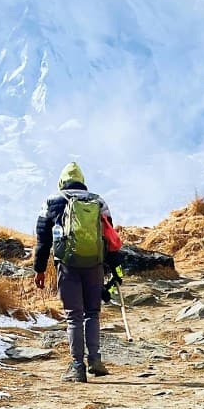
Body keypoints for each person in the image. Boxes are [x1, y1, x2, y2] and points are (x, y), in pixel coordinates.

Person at [33, 162, 121, 383]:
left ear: (62, 181)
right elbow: (109, 237)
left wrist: (39, 270)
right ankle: (95, 359)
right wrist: (112, 268)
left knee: (74, 316)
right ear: (82, 180)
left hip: (67, 266)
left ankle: (77, 367)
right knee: (92, 313)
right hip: (95, 265)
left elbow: (43, 240)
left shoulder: (52, 201)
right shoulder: (98, 201)